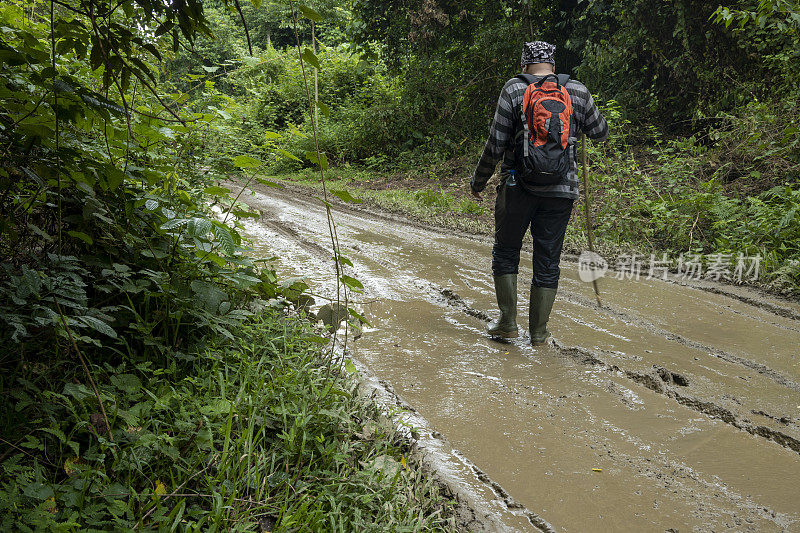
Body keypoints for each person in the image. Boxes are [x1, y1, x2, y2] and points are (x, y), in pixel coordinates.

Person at [470, 41, 608, 345]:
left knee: (506, 251)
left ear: (524, 65)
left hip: (518, 185)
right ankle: (539, 333)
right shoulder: (578, 91)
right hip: (562, 190)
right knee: (548, 259)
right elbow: (601, 132)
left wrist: (478, 181)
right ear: (553, 65)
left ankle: (507, 323)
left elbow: (495, 142)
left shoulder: (513, 90)